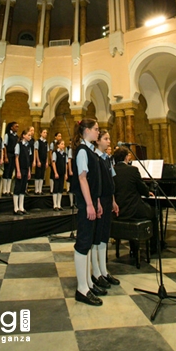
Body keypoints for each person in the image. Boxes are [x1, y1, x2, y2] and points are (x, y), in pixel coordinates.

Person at [71, 118, 104, 306]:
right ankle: (81, 288)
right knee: (83, 243)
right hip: (85, 203)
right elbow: (82, 179)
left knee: (89, 241)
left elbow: (94, 181)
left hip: (92, 201)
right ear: (87, 131)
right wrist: (90, 204)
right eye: (96, 129)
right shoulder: (82, 151)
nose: (98, 132)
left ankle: (89, 283)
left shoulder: (90, 150)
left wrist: (97, 201)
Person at [112, 146, 158, 254]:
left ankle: (133, 248)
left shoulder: (112, 170)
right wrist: (148, 192)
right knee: (155, 213)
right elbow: (142, 188)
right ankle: (154, 247)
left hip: (119, 210)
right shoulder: (133, 170)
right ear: (125, 158)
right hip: (133, 210)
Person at [91, 130, 120, 291]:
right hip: (99, 200)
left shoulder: (108, 159)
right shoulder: (95, 158)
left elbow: (111, 181)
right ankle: (96, 272)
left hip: (108, 199)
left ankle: (104, 270)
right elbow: (95, 182)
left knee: (104, 236)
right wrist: (97, 201)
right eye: (106, 139)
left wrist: (114, 200)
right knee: (96, 236)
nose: (109, 142)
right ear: (98, 141)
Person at [13, 127, 32, 215]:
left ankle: (21, 207)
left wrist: (29, 171)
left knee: (23, 188)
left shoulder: (28, 146)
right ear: (24, 136)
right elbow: (16, 158)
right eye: (28, 135)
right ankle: (16, 208)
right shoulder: (19, 145)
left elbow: (28, 159)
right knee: (18, 187)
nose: (30, 137)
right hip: (20, 169)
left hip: (26, 168)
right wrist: (18, 170)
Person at [2, 121, 19, 196]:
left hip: (13, 155)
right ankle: (4, 190)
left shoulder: (16, 136)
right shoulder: (7, 135)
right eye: (16, 126)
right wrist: (5, 156)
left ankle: (8, 190)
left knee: (10, 172)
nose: (17, 128)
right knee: (6, 172)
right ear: (11, 127)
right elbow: (5, 146)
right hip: (8, 154)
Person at [52, 139, 67, 210]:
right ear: (58, 145)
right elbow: (53, 163)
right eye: (61, 144)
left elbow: (66, 164)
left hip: (62, 172)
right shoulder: (55, 153)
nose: (63, 145)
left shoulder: (64, 154)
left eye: (63, 144)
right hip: (57, 173)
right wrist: (55, 172)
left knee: (60, 188)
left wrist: (66, 173)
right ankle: (55, 205)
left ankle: (59, 204)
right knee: (56, 188)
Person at [34, 128, 48, 194]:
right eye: (44, 132)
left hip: (44, 160)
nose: (45, 134)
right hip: (39, 160)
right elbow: (36, 151)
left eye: (46, 133)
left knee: (42, 175)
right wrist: (38, 161)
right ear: (41, 133)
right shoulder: (37, 142)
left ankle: (40, 189)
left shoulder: (46, 142)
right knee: (38, 174)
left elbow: (47, 153)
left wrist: (47, 161)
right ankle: (36, 189)